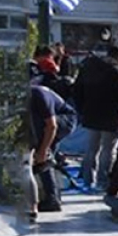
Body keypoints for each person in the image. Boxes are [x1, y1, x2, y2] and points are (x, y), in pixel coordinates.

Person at [73, 46, 118, 191]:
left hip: (90, 114)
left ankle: (88, 180)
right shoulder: (116, 71)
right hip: (111, 116)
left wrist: (82, 109)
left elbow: (76, 90)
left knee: (91, 149)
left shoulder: (88, 67)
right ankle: (102, 181)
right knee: (108, 150)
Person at [24, 84, 76, 219]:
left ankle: (52, 199)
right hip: (47, 122)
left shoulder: (37, 95)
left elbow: (52, 126)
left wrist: (43, 150)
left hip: (65, 119)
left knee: (43, 153)